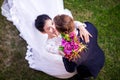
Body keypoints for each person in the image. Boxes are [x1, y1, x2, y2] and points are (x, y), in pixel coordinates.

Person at [35, 14, 105, 80]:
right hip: (71, 55)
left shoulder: (61, 27)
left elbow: (73, 23)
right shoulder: (48, 45)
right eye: (49, 28)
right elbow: (60, 51)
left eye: (52, 24)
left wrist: (81, 27)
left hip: (85, 61)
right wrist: (67, 47)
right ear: (43, 32)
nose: (54, 28)